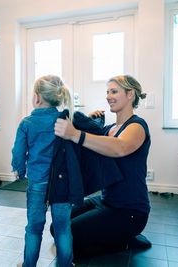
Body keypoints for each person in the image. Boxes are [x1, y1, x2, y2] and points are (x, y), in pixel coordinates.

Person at [54, 74, 151, 258]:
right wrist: (87, 122)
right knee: (57, 227)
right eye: (107, 92)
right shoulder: (109, 128)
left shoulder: (137, 126)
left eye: (114, 91)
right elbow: (97, 143)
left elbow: (119, 148)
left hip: (130, 211)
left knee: (71, 238)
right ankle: (115, 236)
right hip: (106, 201)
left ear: (130, 94)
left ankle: (126, 240)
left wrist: (76, 134)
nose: (108, 96)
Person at [12, 75, 74, 267]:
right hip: (62, 182)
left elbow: (18, 153)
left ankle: (28, 265)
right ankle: (65, 264)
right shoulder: (65, 120)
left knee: (34, 228)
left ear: (37, 97)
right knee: (63, 228)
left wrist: (20, 171)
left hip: (38, 181)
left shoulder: (27, 123)